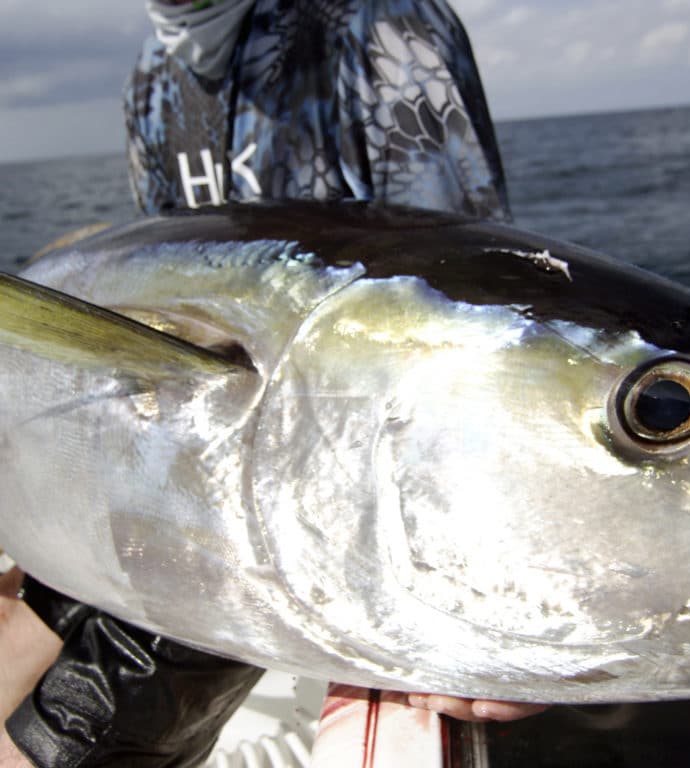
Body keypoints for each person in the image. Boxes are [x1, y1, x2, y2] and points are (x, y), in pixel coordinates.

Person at [1, 2, 541, 766]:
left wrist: (497, 587)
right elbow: (164, 306)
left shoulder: (381, 26)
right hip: (188, 488)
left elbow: (474, 321)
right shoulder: (155, 76)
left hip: (321, 524)